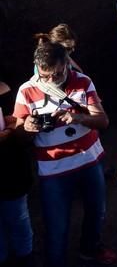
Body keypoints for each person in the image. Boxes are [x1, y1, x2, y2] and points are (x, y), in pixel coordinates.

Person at [14, 42, 117, 266]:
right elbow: (20, 136)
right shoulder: (26, 91)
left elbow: (103, 121)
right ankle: (56, 260)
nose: (51, 80)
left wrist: (80, 118)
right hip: (54, 170)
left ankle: (90, 249)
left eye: (57, 73)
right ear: (36, 68)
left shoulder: (83, 82)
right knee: (56, 222)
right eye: (45, 75)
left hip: (89, 160)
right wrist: (28, 128)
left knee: (96, 211)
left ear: (67, 64)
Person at [0, 81, 34, 267]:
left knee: (18, 217)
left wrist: (13, 126)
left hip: (10, 168)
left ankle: (25, 258)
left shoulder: (7, 90)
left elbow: (19, 118)